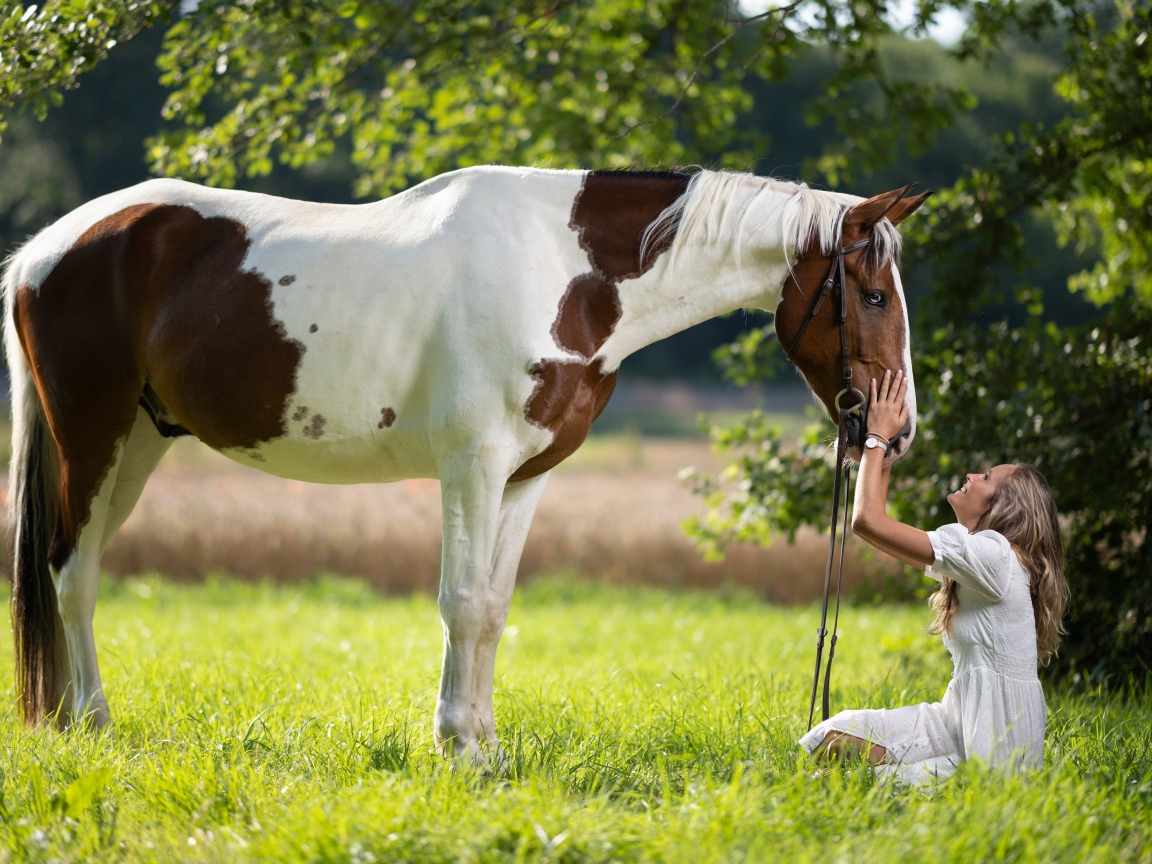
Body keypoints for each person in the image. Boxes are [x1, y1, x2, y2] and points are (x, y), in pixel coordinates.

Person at [798, 369, 1069, 785]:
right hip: (954, 723)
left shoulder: (994, 555)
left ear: (1005, 507)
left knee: (835, 783)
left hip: (994, 751)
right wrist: (880, 452)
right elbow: (878, 526)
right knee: (834, 737)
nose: (972, 476)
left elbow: (867, 522)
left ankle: (916, 780)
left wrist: (877, 439)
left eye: (987, 478)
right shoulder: (985, 559)